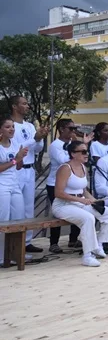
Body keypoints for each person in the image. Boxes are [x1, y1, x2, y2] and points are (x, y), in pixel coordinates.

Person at [51, 141, 108, 267]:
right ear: (73, 154)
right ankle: (87, 255)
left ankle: (99, 244)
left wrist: (93, 200)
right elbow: (58, 193)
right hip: (63, 205)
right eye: (83, 152)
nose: (87, 154)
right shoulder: (65, 168)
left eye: (87, 151)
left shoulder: (83, 167)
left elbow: (83, 190)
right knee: (88, 218)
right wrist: (81, 200)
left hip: (78, 203)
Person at [46, 119, 92, 253]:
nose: (73, 131)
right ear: (61, 129)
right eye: (70, 128)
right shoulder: (56, 145)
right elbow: (65, 161)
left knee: (79, 208)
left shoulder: (73, 144)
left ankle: (73, 239)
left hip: (73, 182)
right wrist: (80, 145)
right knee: (58, 214)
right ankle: (54, 242)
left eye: (74, 128)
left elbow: (79, 160)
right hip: (55, 182)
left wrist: (82, 145)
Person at [10, 96, 49, 253]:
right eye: (24, 103)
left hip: (29, 168)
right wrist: (34, 139)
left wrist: (39, 138)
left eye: (27, 103)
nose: (27, 106)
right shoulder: (10, 125)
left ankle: (27, 241)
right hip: (15, 169)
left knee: (28, 206)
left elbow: (37, 148)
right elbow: (16, 148)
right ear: (14, 106)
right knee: (15, 207)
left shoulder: (30, 125)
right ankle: (13, 241)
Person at [0, 117, 29, 264]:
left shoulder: (15, 144)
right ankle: (1, 255)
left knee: (19, 218)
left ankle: (17, 253)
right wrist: (15, 160)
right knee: (3, 219)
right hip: (2, 185)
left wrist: (21, 157)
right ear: (0, 130)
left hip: (14, 184)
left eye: (12, 127)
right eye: (7, 127)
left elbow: (18, 166)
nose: (11, 129)